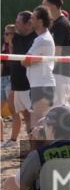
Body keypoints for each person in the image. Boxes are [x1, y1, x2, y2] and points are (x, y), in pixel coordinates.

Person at [25, 6, 56, 131]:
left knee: (38, 124)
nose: (30, 20)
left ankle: (40, 150)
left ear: (40, 21)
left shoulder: (42, 40)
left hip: (42, 85)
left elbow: (24, 61)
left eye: (33, 18)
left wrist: (27, 61)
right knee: (38, 123)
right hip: (40, 84)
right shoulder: (42, 38)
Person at [7, 12, 35, 149]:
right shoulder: (16, 36)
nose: (16, 23)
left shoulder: (35, 39)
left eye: (19, 22)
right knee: (24, 115)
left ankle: (34, 147)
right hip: (16, 84)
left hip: (28, 85)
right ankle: (24, 143)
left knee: (31, 117)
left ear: (28, 24)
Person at [41, 0, 70, 107]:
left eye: (44, 5)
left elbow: (57, 51)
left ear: (53, 6)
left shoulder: (61, 24)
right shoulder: (57, 23)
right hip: (60, 71)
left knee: (58, 106)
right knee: (59, 105)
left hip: (60, 72)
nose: (42, 8)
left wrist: (48, 72)